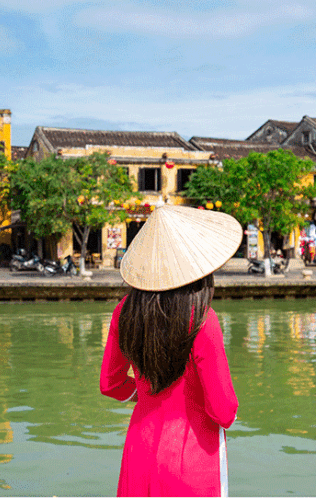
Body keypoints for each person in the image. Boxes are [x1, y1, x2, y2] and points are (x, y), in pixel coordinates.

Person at [100, 204, 240, 497]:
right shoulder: (202, 318)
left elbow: (110, 384)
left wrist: (141, 390)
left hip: (139, 451)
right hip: (194, 459)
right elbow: (223, 409)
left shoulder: (124, 311)